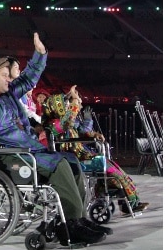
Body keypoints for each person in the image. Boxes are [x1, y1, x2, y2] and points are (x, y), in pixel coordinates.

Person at [0, 33, 111, 246]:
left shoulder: (7, 94)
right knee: (59, 165)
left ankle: (77, 218)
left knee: (71, 161)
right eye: (5, 75)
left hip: (26, 151)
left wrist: (40, 54)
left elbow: (28, 78)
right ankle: (71, 225)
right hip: (8, 156)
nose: (10, 79)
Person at [43, 87, 149, 216]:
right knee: (111, 170)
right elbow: (68, 122)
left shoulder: (65, 121)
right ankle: (125, 203)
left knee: (114, 169)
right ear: (56, 107)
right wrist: (75, 102)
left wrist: (94, 134)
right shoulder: (53, 124)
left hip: (83, 156)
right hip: (74, 159)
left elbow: (81, 130)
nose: (67, 107)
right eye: (65, 105)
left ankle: (128, 202)